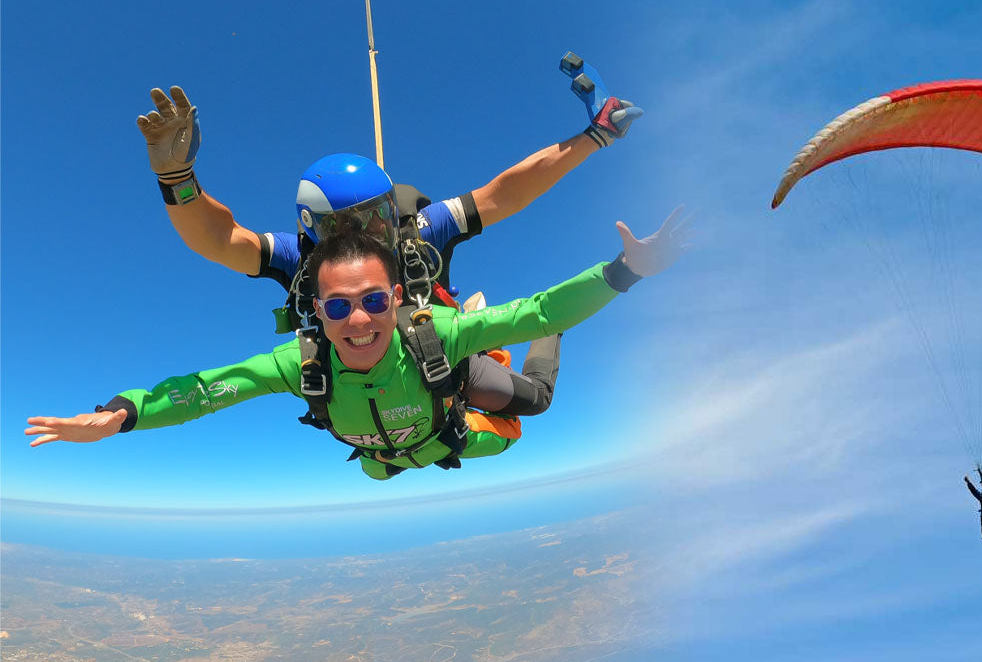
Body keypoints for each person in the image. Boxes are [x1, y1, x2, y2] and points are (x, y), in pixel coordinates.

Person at [26, 210, 689, 480]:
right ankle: (482, 363)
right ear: (318, 311)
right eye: (339, 307)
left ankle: (508, 354)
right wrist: (122, 414)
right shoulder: (301, 363)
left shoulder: (435, 331)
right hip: (390, 455)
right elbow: (207, 391)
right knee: (379, 469)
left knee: (533, 404)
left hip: (449, 424)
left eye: (374, 300)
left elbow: (540, 306)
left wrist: (625, 271)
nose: (359, 321)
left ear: (397, 298)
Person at [135, 84, 641, 417]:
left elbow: (504, 193)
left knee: (534, 401)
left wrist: (593, 138)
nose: (372, 234)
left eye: (378, 215)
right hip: (365, 381)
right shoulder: (301, 258)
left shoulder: (417, 230)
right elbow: (221, 239)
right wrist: (177, 180)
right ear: (313, 230)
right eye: (347, 227)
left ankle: (541, 329)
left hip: (440, 352)